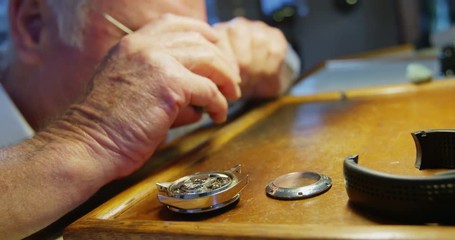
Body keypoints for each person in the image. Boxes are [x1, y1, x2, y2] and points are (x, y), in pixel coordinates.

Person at [0, 0, 299, 239]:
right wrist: (86, 139)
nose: (177, 66)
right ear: (34, 26)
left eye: (189, 37)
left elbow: (285, 64)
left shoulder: (173, 91)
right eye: (145, 39)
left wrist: (268, 58)